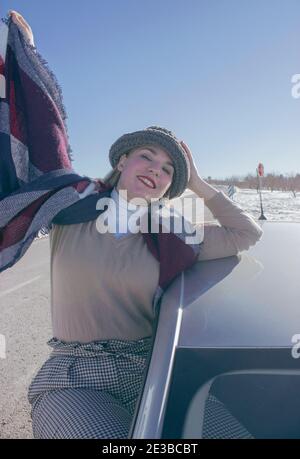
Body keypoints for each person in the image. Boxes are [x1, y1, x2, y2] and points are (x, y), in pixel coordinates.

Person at [6, 11, 263, 439]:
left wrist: (197, 183)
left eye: (167, 170)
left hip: (155, 370)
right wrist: (25, 54)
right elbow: (43, 135)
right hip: (77, 377)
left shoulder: (173, 232)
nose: (155, 171)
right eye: (147, 156)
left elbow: (245, 235)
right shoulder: (73, 204)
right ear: (123, 160)